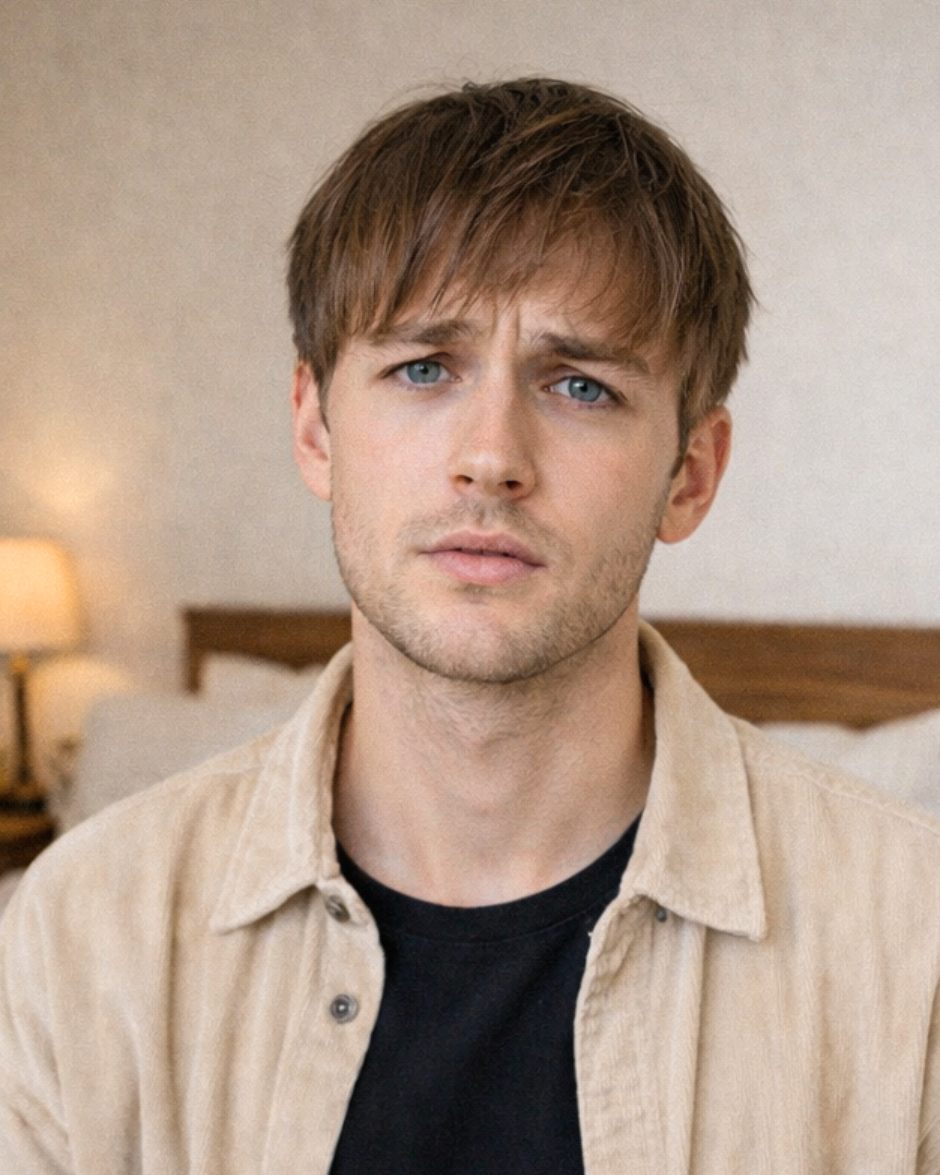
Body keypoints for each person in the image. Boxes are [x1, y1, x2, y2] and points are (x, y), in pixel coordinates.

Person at [2, 77, 939, 1174]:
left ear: (689, 472)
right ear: (314, 426)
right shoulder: (82, 926)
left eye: (579, 384)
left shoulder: (910, 940)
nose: (490, 453)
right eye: (422, 367)